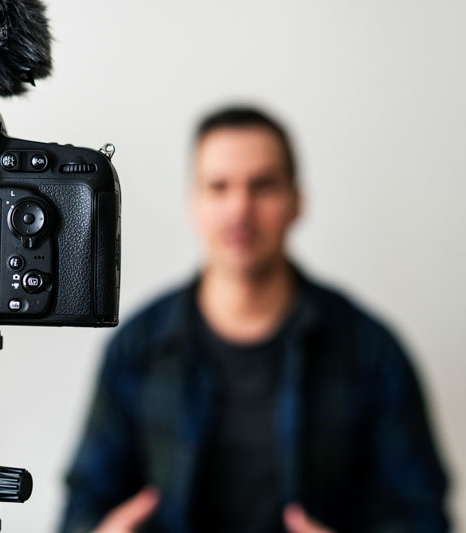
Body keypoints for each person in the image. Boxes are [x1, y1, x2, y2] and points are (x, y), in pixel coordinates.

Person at [60, 107, 450, 533]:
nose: (240, 208)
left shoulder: (371, 350)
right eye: (219, 187)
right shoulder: (137, 347)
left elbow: (423, 513)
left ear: (296, 201)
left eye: (263, 186)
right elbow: (83, 504)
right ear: (194, 203)